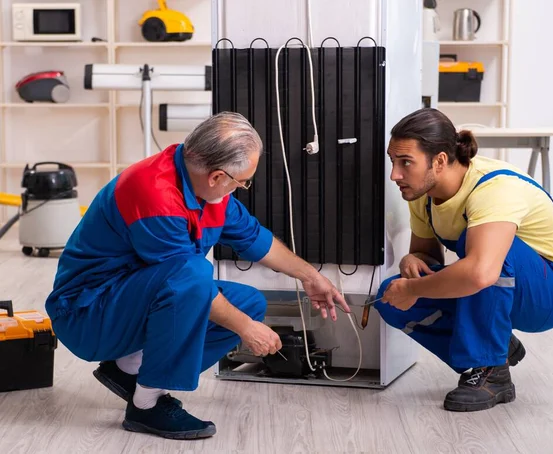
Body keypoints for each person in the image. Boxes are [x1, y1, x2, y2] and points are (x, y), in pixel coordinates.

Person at [45, 112, 350, 440]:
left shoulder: (204, 185)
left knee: (247, 303)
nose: (243, 188)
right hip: (88, 314)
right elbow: (187, 282)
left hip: (128, 301)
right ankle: (146, 405)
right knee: (196, 275)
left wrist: (309, 276)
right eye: (242, 181)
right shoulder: (155, 195)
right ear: (218, 176)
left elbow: (253, 238)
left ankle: (128, 371)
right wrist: (247, 330)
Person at [374, 108, 553, 412]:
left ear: (440, 160)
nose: (395, 174)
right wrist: (411, 261)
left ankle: (491, 371)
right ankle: (493, 345)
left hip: (552, 293)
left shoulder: (493, 188)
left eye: (406, 163)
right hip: (497, 281)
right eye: (393, 162)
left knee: (487, 253)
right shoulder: (423, 194)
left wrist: (413, 290)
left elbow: (482, 272)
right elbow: (428, 257)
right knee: (388, 297)